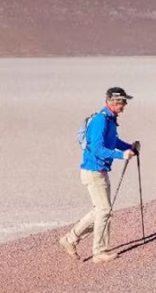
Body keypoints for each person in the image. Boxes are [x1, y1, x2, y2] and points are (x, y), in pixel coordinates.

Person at [59, 86, 138, 263]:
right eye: (122, 102)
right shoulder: (101, 120)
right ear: (113, 102)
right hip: (93, 172)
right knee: (104, 211)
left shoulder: (110, 120)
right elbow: (97, 148)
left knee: (100, 211)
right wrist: (121, 155)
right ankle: (99, 252)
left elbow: (113, 141)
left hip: (99, 171)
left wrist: (128, 147)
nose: (125, 105)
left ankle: (70, 239)